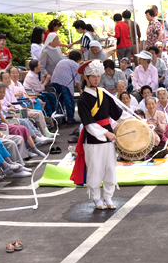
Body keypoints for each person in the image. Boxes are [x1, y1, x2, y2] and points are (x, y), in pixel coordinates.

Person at [71, 60, 132, 210]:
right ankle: (97, 198)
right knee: (95, 168)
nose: (96, 79)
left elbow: (118, 114)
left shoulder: (104, 93)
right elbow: (89, 123)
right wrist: (106, 133)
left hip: (107, 136)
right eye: (93, 76)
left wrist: (135, 121)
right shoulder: (84, 98)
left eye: (98, 76)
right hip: (93, 138)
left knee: (110, 167)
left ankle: (109, 196)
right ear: (86, 77)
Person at [0, 89, 45, 158]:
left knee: (23, 128)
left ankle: (34, 148)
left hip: (3, 124)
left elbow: (5, 121)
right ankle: (25, 151)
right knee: (17, 129)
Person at [51, 50, 83, 124]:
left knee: (59, 100)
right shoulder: (75, 64)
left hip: (55, 81)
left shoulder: (62, 61)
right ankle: (70, 118)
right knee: (69, 100)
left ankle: (61, 119)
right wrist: (80, 89)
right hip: (64, 83)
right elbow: (77, 79)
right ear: (78, 59)